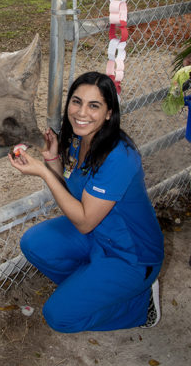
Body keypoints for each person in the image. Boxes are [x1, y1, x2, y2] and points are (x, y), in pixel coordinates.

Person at [9, 71, 164, 333]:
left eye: (94, 105)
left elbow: (82, 221)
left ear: (108, 113)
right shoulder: (80, 139)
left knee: (59, 318)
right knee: (34, 243)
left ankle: (140, 305)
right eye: (76, 101)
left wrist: (44, 173)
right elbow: (71, 192)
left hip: (131, 256)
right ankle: (90, 285)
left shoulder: (119, 157)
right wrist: (51, 159)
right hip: (98, 236)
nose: (81, 112)